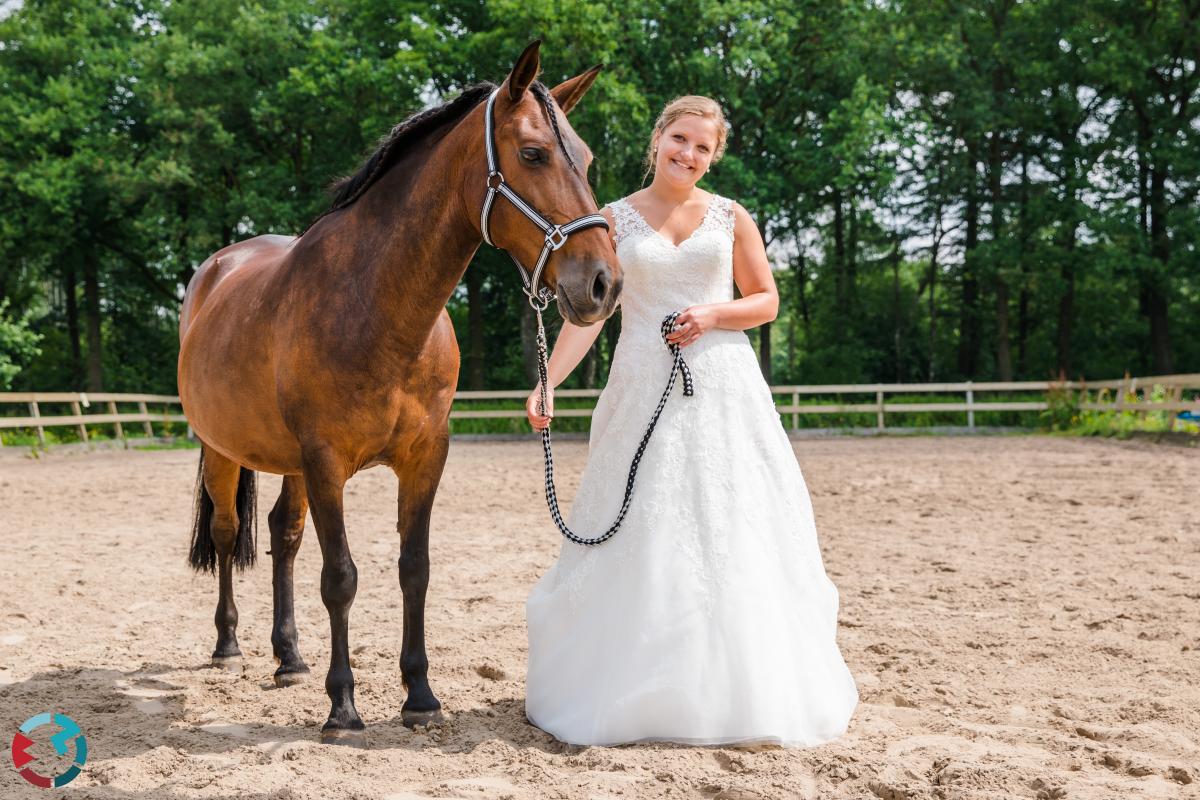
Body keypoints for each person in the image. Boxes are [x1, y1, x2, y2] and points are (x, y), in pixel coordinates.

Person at [523, 95, 859, 747]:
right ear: (659, 140)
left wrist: (711, 316)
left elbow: (765, 301)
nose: (689, 154)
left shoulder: (732, 218)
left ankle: (735, 686)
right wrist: (548, 381)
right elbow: (587, 316)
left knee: (729, 525)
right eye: (680, 139)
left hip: (722, 386)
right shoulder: (614, 218)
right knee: (643, 524)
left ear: (714, 155)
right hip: (641, 381)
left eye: (703, 147)